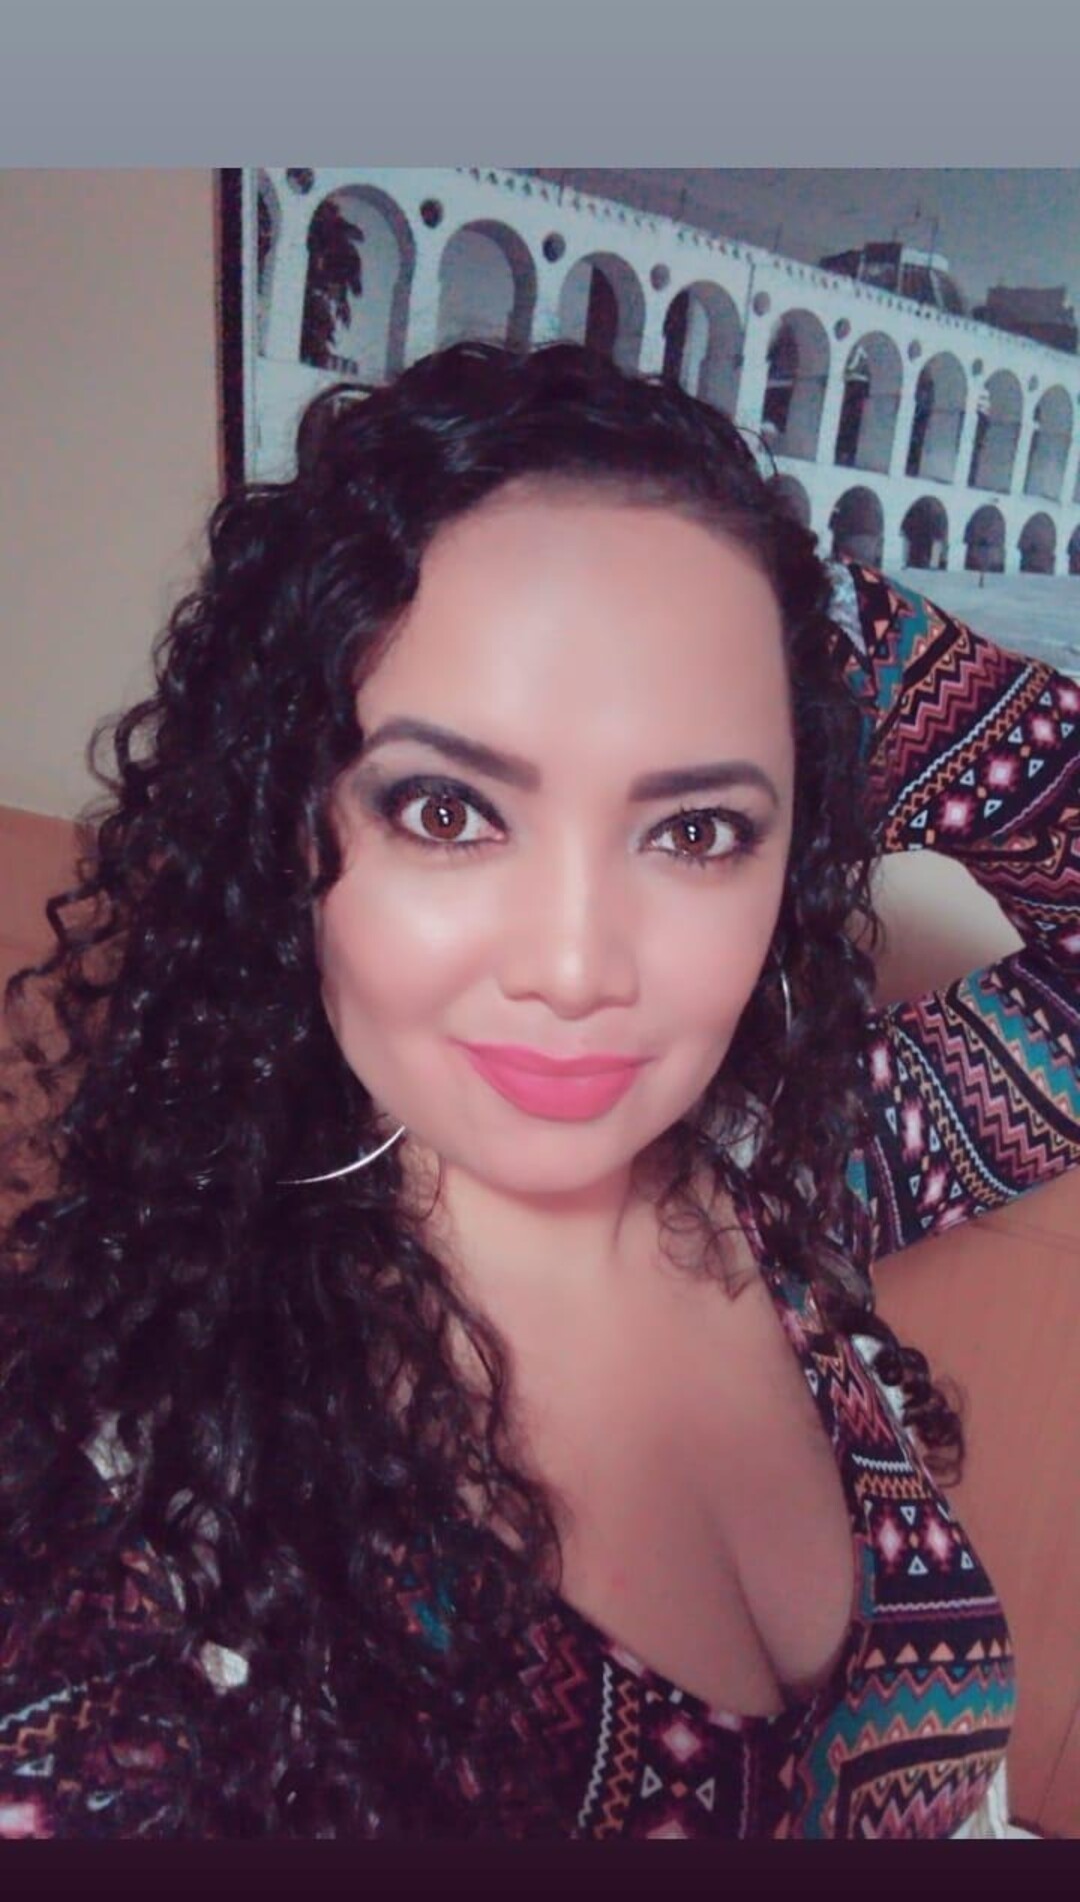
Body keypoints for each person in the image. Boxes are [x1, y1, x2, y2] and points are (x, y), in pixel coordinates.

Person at [0, 341, 1077, 1840]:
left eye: (697, 829)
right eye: (448, 811)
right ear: (283, 831)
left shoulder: (792, 1175)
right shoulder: (130, 1517)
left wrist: (795, 635)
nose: (576, 969)